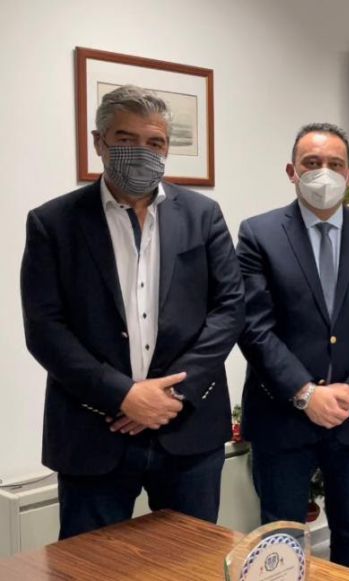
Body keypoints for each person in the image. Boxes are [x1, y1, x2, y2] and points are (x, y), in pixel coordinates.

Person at [21, 85, 244, 539]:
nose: (142, 151)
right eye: (126, 139)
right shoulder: (53, 222)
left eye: (154, 142)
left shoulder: (203, 215)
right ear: (99, 142)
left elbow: (229, 308)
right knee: (89, 566)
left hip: (188, 429)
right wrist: (123, 395)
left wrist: (173, 395)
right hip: (92, 432)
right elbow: (45, 328)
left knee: (189, 562)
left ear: (167, 148)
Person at [236, 123, 349, 573]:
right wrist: (306, 393)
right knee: (281, 538)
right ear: (292, 171)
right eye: (312, 163)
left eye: (334, 164)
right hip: (282, 416)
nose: (323, 173)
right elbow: (253, 327)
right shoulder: (258, 233)